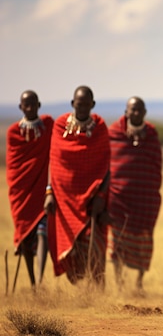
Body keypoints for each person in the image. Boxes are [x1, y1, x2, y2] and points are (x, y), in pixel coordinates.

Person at [45, 85, 110, 286]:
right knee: (71, 248)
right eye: (78, 104)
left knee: (95, 242)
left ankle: (98, 290)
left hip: (93, 198)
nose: (82, 108)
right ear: (73, 104)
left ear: (93, 105)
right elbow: (54, 163)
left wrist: (100, 196)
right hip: (65, 200)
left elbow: (107, 166)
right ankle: (81, 292)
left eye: (86, 105)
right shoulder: (60, 126)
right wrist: (49, 192)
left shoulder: (99, 128)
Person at [108, 97, 162, 292]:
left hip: (145, 197)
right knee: (118, 239)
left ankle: (139, 282)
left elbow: (157, 165)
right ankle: (119, 282)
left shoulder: (152, 134)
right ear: (126, 112)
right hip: (119, 197)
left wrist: (153, 188)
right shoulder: (114, 133)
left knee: (144, 239)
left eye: (140, 110)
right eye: (133, 110)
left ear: (145, 112)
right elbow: (108, 164)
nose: (136, 113)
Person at [6, 90, 53, 289]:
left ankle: (40, 281)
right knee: (25, 238)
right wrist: (17, 186)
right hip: (21, 193)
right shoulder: (13, 132)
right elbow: (13, 166)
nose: (30, 108)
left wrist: (51, 189)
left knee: (43, 232)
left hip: (43, 190)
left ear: (39, 105)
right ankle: (32, 281)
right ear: (20, 107)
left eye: (33, 104)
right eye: (26, 105)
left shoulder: (49, 125)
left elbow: (55, 154)